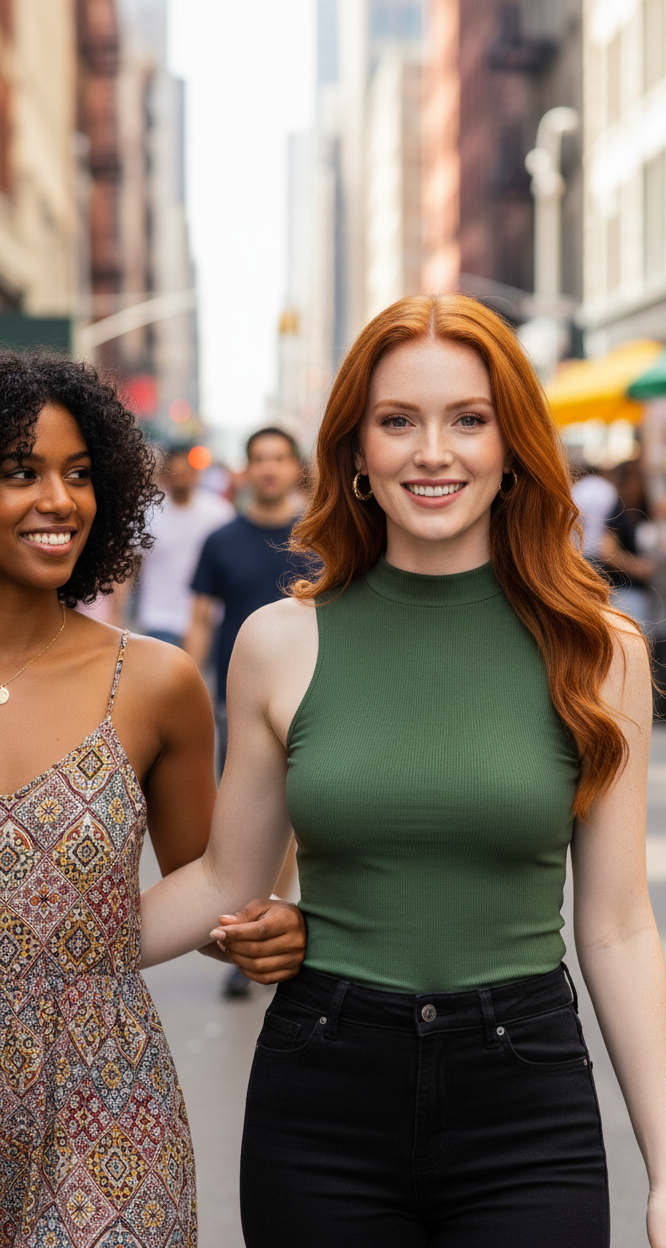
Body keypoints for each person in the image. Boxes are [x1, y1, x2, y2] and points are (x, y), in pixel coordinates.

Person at [139, 295, 666, 1248]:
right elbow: (225, 883)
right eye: (398, 420)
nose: (432, 451)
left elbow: (617, 925)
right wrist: (46, 935)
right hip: (322, 1093)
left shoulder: (601, 649)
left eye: (469, 420)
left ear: (512, 446)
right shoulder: (280, 642)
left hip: (526, 1100)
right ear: (356, 451)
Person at [0, 354, 306, 1248]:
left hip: (104, 1108)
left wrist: (267, 925)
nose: (58, 500)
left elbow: (213, 881)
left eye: (80, 474)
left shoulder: (154, 682)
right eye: (20, 471)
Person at [185, 426, 308, 998]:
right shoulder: (221, 540)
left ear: (293, 467)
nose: (268, 468)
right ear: (248, 467)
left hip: (310, 697)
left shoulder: (317, 537)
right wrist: (185, 684)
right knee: (244, 818)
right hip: (238, 702)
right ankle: (255, 923)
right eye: (258, 458)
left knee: (288, 820)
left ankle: (260, 924)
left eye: (278, 458)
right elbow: (203, 618)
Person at [137, 444, 234, 646]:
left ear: (195, 473)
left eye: (185, 472)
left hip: (205, 618)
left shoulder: (219, 513)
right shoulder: (148, 512)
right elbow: (129, 566)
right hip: (158, 617)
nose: (180, 477)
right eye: (175, 472)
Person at [600, 458, 657, 631]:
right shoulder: (619, 510)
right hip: (625, 592)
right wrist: (637, 567)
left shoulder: (640, 509)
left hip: (641, 592)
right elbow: (607, 551)